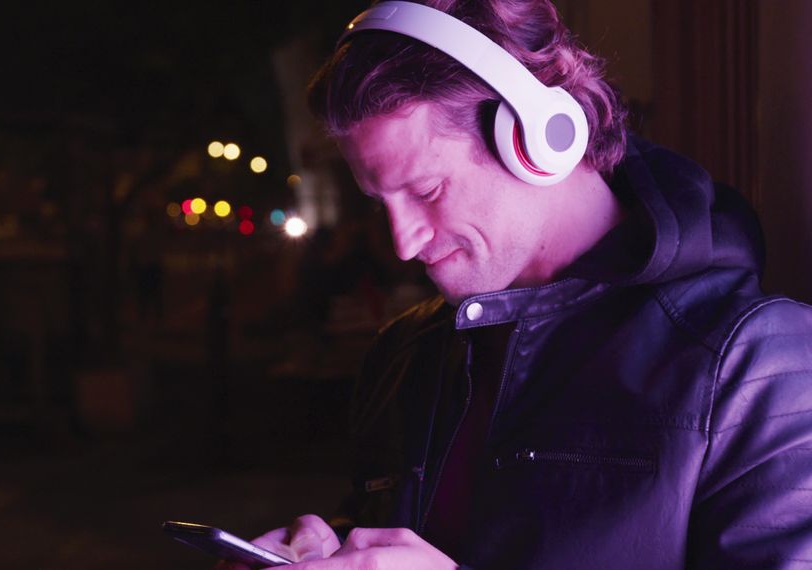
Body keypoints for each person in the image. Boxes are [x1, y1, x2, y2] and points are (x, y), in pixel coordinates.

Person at [219, 0, 812, 568]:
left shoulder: (757, 366)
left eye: (426, 191)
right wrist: (337, 549)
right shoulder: (406, 354)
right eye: (382, 205)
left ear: (536, 140)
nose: (403, 243)